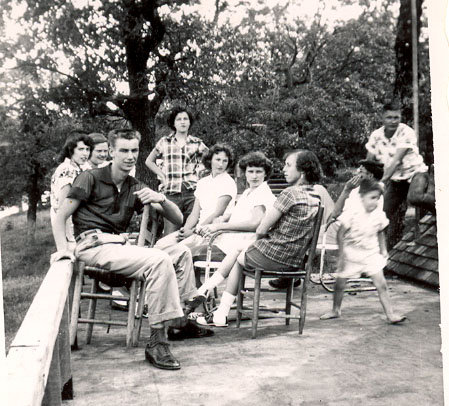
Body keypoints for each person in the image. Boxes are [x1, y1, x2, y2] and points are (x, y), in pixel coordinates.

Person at [51, 129, 211, 371]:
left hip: (120, 246)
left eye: (134, 150)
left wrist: (160, 198)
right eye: (124, 150)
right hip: (94, 245)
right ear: (111, 152)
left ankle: (179, 319)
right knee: (158, 260)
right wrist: (63, 249)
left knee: (181, 253)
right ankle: (158, 341)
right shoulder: (90, 178)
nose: (130, 156)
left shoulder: (133, 185)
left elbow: (177, 219)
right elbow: (60, 215)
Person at [196, 150, 322, 327]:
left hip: (275, 256)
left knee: (239, 256)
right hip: (295, 260)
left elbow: (261, 228)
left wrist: (262, 236)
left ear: (302, 171)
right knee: (240, 251)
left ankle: (216, 305)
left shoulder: (289, 194)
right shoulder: (315, 197)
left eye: (288, 165)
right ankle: (212, 300)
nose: (284, 169)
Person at [189, 151, 276, 301]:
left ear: (265, 174)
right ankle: (198, 292)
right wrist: (223, 218)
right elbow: (239, 213)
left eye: (259, 172)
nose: (254, 176)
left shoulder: (262, 193)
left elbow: (256, 223)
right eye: (250, 171)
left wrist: (220, 226)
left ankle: (196, 294)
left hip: (241, 245)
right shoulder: (250, 192)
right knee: (189, 251)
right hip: (231, 242)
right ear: (245, 173)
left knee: (188, 254)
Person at [320, 178, 406, 324]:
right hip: (351, 253)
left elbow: (380, 232)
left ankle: (390, 314)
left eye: (378, 199)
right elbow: (341, 234)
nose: (375, 202)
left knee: (382, 284)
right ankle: (336, 310)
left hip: (370, 253)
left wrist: (383, 249)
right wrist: (341, 255)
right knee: (340, 283)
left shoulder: (378, 214)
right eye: (372, 198)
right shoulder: (352, 213)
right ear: (362, 197)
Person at [365, 101, 427, 250]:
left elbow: (396, 161)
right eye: (389, 117)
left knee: (415, 197)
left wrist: (382, 182)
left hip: (415, 173)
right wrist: (366, 181)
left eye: (396, 117)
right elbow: (369, 161)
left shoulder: (406, 132)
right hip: (397, 181)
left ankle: (441, 210)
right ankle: (379, 255)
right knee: (381, 214)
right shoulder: (376, 135)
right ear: (382, 118)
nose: (393, 121)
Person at [154, 143, 237, 252]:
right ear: (210, 160)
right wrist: (186, 230)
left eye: (224, 161)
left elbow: (218, 213)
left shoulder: (228, 182)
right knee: (161, 244)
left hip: (212, 233)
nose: (220, 164)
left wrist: (193, 231)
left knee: (175, 250)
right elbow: (194, 213)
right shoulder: (203, 182)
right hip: (197, 231)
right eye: (217, 159)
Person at [145, 107, 208, 235]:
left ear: (190, 122)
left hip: (192, 192)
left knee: (190, 231)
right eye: (178, 119)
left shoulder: (197, 143)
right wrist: (161, 174)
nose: (182, 122)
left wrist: (199, 174)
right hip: (171, 193)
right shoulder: (164, 142)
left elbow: (211, 160)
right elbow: (149, 161)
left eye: (185, 119)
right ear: (173, 123)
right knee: (170, 233)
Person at [50, 131, 91, 246]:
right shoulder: (67, 170)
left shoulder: (79, 168)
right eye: (81, 149)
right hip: (68, 229)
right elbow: (63, 208)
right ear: (71, 149)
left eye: (87, 149)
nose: (85, 153)